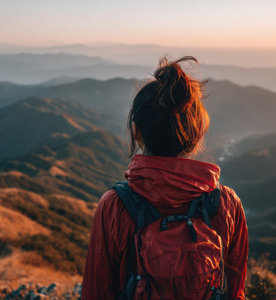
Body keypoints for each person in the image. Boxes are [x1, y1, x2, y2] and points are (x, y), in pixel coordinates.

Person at [81, 56, 248, 300]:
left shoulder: (114, 206)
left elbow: (96, 293)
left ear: (136, 131)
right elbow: (234, 291)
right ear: (196, 134)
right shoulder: (227, 203)